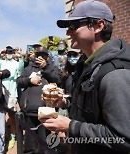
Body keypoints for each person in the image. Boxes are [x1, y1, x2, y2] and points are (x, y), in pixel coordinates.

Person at [41, 1, 130, 154]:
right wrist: (66, 103)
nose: (68, 33)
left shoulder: (115, 73)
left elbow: (123, 138)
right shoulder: (86, 64)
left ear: (99, 26)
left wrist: (70, 126)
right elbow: (92, 112)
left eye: (73, 26)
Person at [17, 46, 62, 154]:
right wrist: (29, 80)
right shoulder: (29, 68)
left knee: (44, 143)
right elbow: (19, 81)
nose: (40, 57)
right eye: (38, 55)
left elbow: (58, 80)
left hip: (46, 112)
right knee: (30, 143)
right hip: (29, 112)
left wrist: (45, 68)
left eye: (43, 55)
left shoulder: (52, 68)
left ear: (47, 57)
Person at [0, 46, 24, 150]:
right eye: (7, 52)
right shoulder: (1, 62)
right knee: (1, 115)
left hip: (12, 91)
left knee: (11, 115)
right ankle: (3, 134)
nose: (9, 53)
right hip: (1, 91)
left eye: (11, 52)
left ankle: (13, 136)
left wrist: (21, 56)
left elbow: (21, 68)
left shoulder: (16, 63)